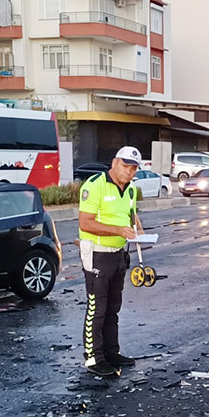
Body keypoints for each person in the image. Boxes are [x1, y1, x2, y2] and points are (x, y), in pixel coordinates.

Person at [78, 146, 144, 377]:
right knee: (97, 306)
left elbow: (130, 214)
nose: (129, 172)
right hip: (96, 252)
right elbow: (85, 223)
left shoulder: (131, 189)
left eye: (134, 168)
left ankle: (111, 352)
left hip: (118, 252)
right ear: (114, 162)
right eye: (126, 166)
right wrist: (117, 229)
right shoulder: (95, 185)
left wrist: (138, 230)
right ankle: (93, 358)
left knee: (113, 308)